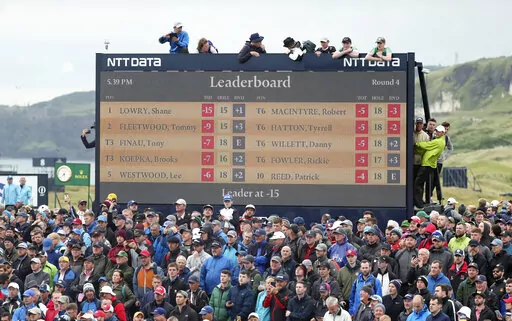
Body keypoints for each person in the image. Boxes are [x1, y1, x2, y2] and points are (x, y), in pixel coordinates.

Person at [414, 125, 447, 210]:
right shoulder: (439, 140)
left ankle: (419, 204)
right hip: (428, 164)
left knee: (417, 183)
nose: (436, 132)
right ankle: (420, 202)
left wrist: (416, 144)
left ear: (443, 133)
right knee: (420, 183)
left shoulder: (438, 141)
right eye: (436, 131)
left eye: (439, 131)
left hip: (427, 164)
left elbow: (427, 145)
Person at [431, 122, 453, 204]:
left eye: (447, 129)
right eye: (445, 129)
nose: (446, 131)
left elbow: (451, 148)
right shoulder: (433, 135)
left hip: (439, 162)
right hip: (430, 161)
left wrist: (445, 156)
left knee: (435, 180)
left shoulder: (446, 138)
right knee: (429, 179)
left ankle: (431, 196)